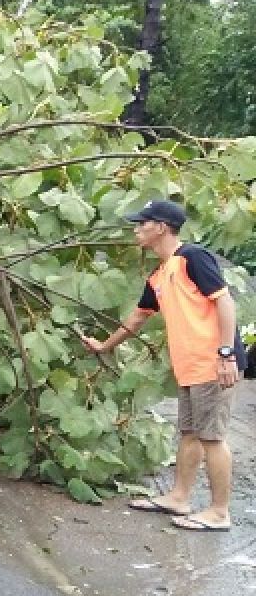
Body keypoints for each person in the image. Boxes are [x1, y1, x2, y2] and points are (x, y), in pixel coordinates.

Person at [80, 199, 244, 532]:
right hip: (190, 365)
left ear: (162, 227)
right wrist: (104, 345)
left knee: (212, 437)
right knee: (189, 433)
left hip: (214, 362)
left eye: (143, 223)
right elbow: (138, 317)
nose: (137, 229)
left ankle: (219, 512)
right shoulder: (160, 273)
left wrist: (226, 354)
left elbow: (224, 302)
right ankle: (179, 497)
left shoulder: (191, 258)